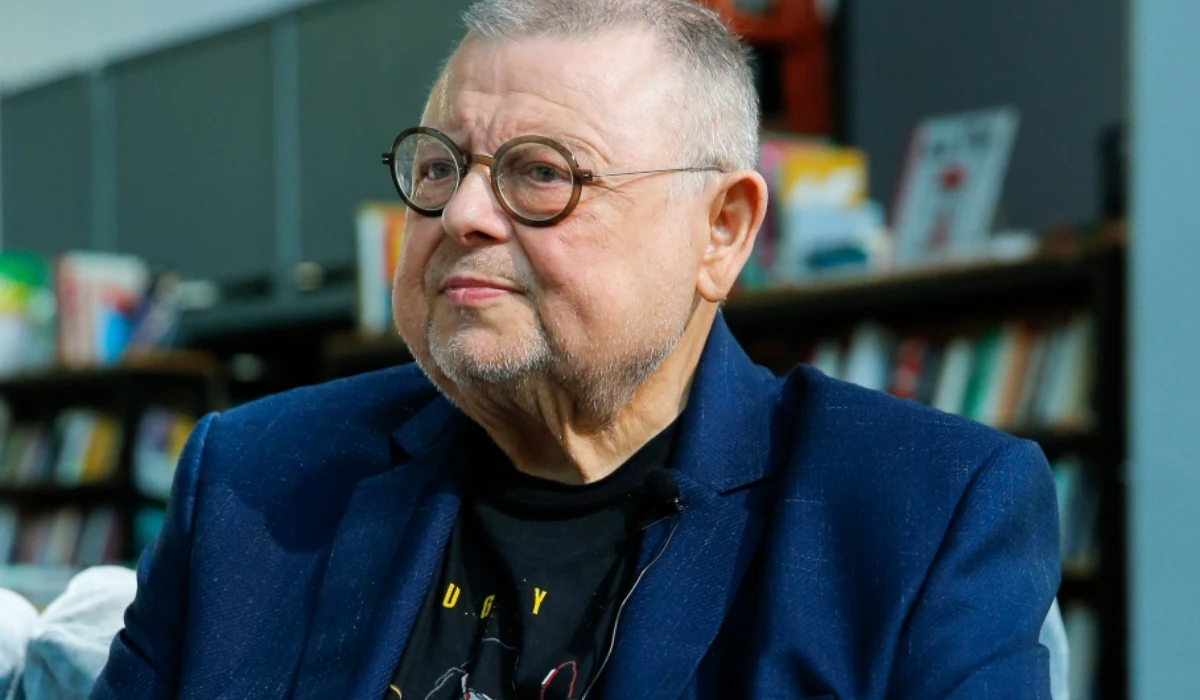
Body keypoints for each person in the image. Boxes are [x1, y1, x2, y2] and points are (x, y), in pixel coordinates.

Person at [91, 1, 1060, 698]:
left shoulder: (918, 518)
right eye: (440, 165)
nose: (463, 214)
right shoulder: (252, 484)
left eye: (540, 174)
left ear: (721, 230)